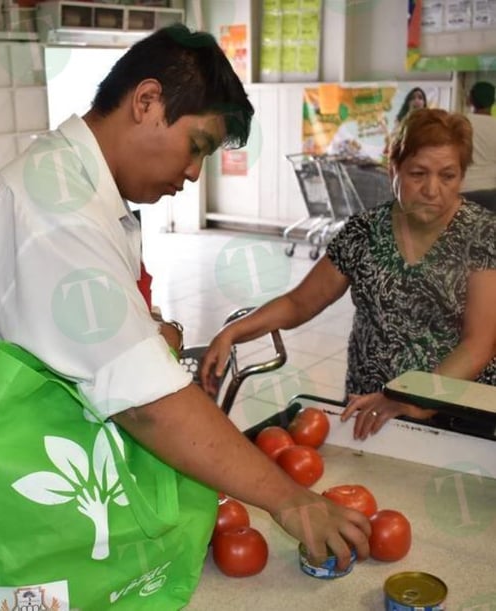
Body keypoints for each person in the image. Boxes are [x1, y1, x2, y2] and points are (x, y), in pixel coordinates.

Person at [0, 24, 370, 610]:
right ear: (147, 101)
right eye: (199, 146)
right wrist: (290, 499)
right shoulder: (52, 215)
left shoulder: (80, 191)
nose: (192, 175)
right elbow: (148, 406)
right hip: (3, 511)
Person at [202, 108, 496, 442]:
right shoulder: (364, 231)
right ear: (393, 169)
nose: (433, 189)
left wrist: (416, 400)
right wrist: (233, 332)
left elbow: (479, 343)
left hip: (457, 414)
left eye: (448, 176)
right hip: (372, 408)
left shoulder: (482, 234)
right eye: (418, 174)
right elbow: (300, 302)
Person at [460, 81, 496, 212]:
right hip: (491, 191)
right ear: (492, 102)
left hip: (463, 188)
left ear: (470, 99)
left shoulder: (460, 123)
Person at [382, 87, 428, 155]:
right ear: (408, 103)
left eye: (420, 98)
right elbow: (392, 141)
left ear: (424, 103)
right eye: (412, 98)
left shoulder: (429, 121)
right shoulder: (401, 121)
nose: (416, 100)